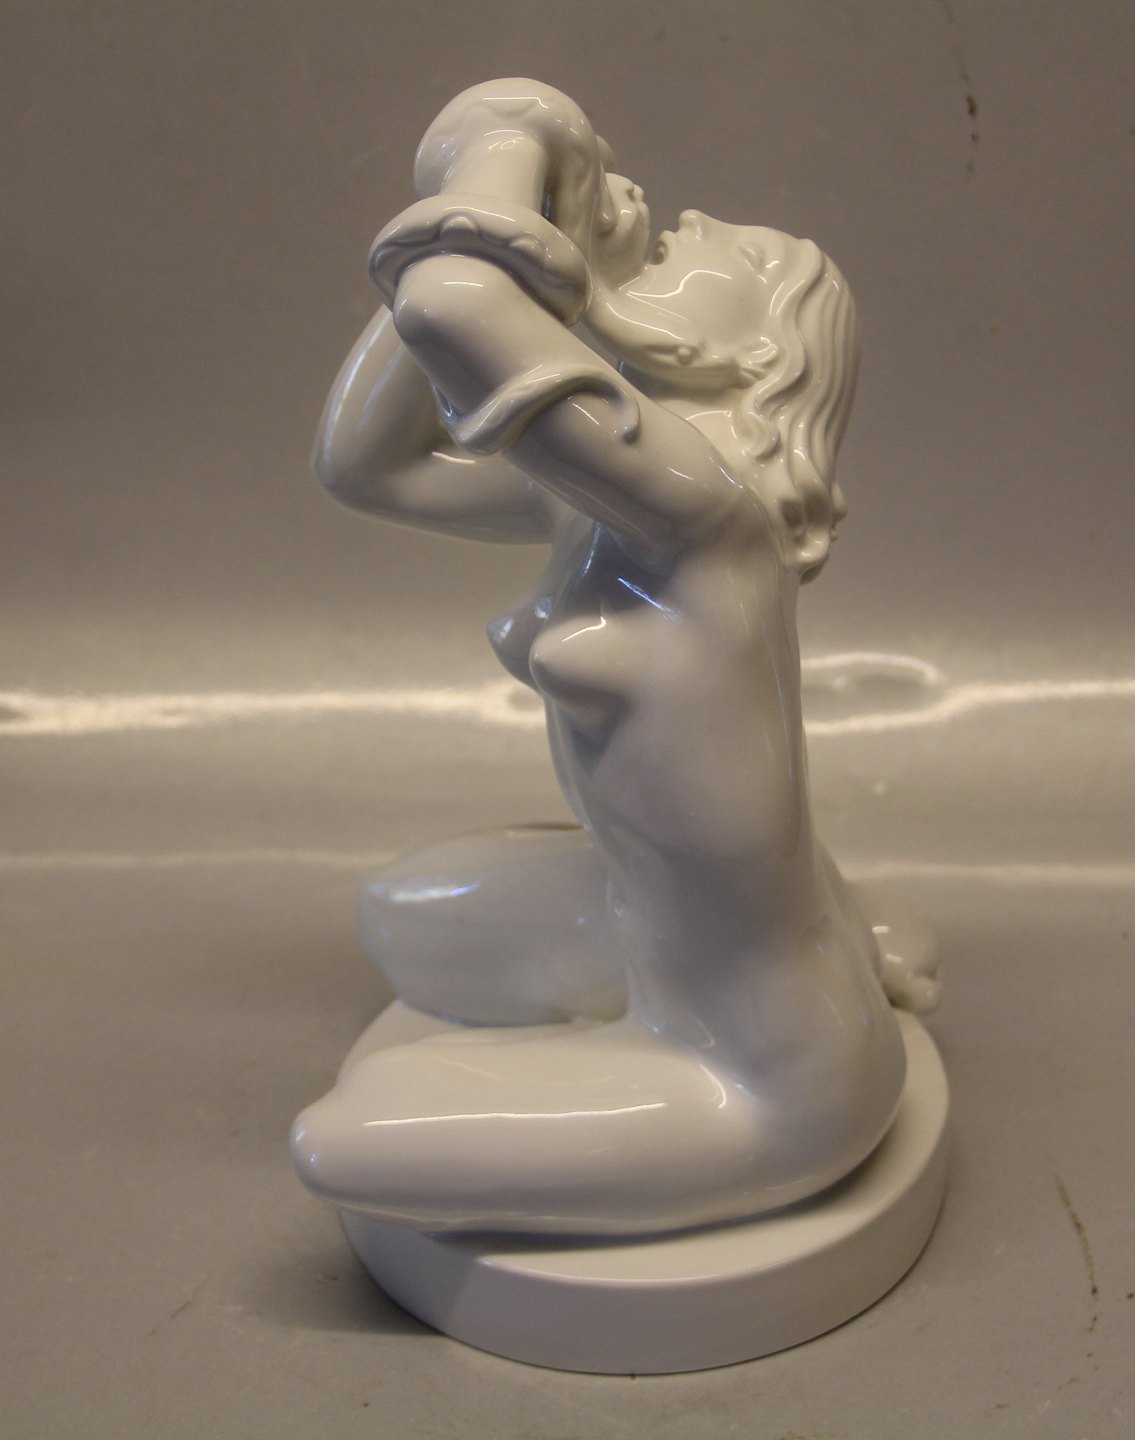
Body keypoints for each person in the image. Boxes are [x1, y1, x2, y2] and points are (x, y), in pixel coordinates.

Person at [293, 81, 913, 1236]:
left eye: (696, 250)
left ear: (750, 352)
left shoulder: (704, 513)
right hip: (649, 923)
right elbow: (365, 466)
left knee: (341, 1132)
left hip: (764, 1079)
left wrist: (517, 143)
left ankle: (769, 1066)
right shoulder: (609, 507)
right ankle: (834, 941)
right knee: (397, 916)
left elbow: (454, 305)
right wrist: (529, 222)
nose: (668, 226)